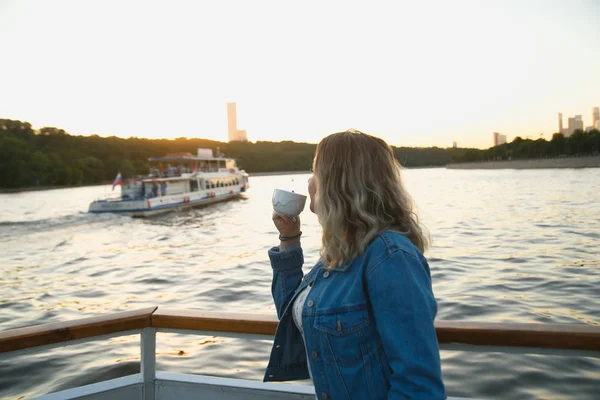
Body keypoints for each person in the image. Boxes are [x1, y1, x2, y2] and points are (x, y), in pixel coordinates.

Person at [265, 130, 446, 399]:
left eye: (315, 170)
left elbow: (418, 384)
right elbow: (291, 315)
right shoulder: (340, 253)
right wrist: (289, 239)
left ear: (338, 181)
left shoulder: (390, 257)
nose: (309, 180)